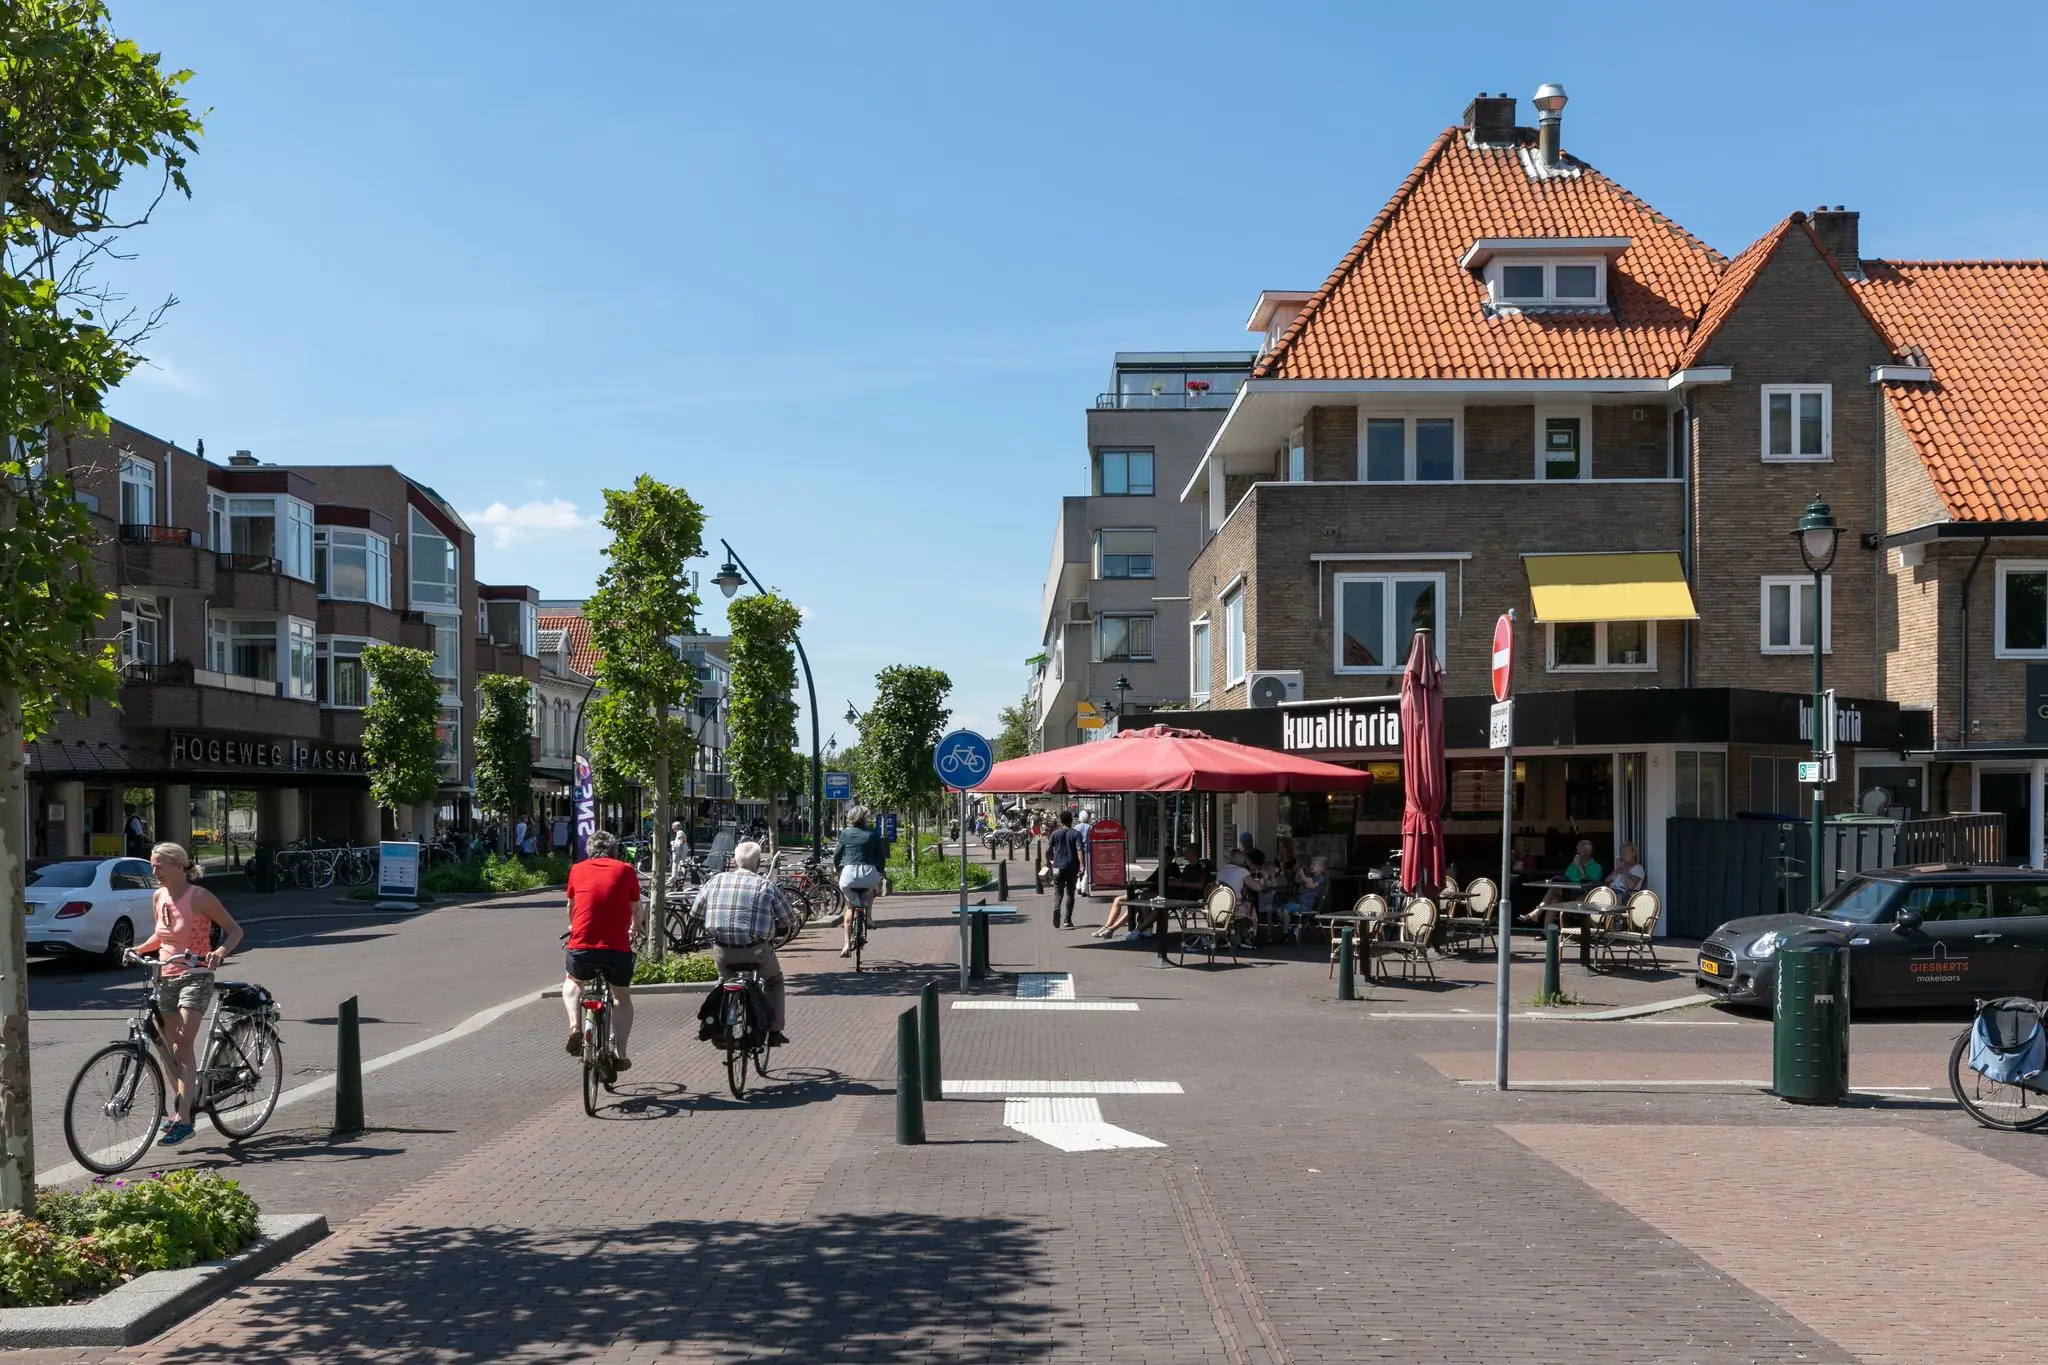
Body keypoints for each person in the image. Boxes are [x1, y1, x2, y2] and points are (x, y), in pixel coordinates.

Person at [132, 843, 243, 1146]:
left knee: (183, 1044)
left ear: (179, 865)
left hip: (195, 976)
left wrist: (219, 951)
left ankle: (184, 1119)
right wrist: (138, 949)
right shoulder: (158, 897)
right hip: (165, 978)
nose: (155, 872)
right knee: (170, 1049)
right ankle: (184, 1107)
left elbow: (235, 930)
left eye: (160, 866)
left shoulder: (200, 897)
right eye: (152, 866)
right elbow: (161, 935)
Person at [700, 841, 797, 1044]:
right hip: (756, 951)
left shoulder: (715, 881)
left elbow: (695, 912)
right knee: (774, 981)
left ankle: (718, 1024)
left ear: (734, 861)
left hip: (723, 951)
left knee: (724, 979)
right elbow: (789, 919)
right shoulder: (766, 885)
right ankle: (774, 1031)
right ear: (759, 863)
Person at [563, 829, 641, 1069]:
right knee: (621, 996)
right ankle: (620, 1053)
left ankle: (575, 1025)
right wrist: (636, 928)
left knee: (573, 981)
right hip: (616, 949)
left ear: (589, 851)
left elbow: (571, 905)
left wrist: (572, 925)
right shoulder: (626, 870)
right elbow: (637, 909)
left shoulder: (577, 869)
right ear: (615, 851)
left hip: (582, 946)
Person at [1098, 841, 1209, 938]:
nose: (1184, 853)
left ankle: (1135, 929)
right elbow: (1179, 880)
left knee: (1154, 904)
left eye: (1187, 851)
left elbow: (1199, 885)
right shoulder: (1187, 867)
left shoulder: (1199, 868)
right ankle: (1144, 929)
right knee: (1143, 898)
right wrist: (1177, 881)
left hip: (1182, 896)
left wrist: (1180, 884)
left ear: (1193, 853)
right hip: (1170, 893)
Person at [833, 804, 889, 958]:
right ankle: (869, 918)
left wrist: (838, 869)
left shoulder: (845, 833)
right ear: (866, 819)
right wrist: (880, 871)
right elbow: (880, 856)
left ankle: (846, 944)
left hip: (849, 874)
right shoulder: (872, 834)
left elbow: (837, 854)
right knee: (870, 891)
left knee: (850, 906)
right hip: (868, 873)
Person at [1519, 839, 1604, 926]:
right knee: (1554, 898)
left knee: (1554, 895)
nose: (1577, 852)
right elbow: (1566, 877)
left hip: (1583, 895)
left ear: (1586, 852)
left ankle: (1535, 914)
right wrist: (1557, 878)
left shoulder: (1596, 867)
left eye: (1579, 850)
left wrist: (1579, 866)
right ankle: (1546, 932)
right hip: (1568, 893)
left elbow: (1588, 884)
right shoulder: (1572, 865)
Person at [1045, 810, 1085, 929]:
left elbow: (1047, 851)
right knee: (1070, 893)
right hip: (1072, 867)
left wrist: (1048, 862)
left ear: (1061, 821)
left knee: (1058, 892)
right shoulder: (1076, 834)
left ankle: (1057, 907)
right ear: (1071, 820)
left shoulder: (1055, 834)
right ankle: (1067, 919)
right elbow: (1079, 850)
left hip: (1057, 867)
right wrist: (1082, 866)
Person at [1075, 809, 1095, 897]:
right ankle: (1084, 890)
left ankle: (1078, 886)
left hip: (1078, 850)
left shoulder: (1076, 827)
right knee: (1087, 871)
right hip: (1087, 850)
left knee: (1079, 869)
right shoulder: (1090, 827)